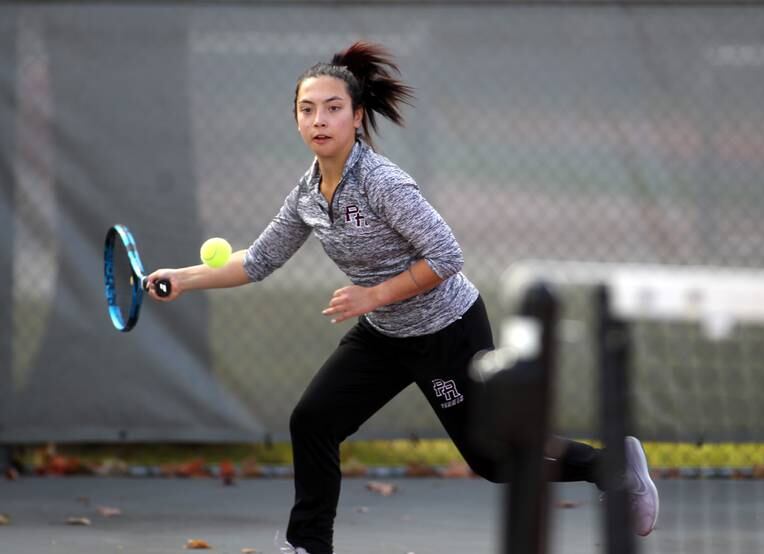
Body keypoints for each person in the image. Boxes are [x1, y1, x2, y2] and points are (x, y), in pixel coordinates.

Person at [146, 41, 658, 554]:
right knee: (314, 421)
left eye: (332, 108)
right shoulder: (306, 195)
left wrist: (373, 296)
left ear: (356, 116)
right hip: (386, 333)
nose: (319, 120)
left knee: (493, 461)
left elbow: (445, 254)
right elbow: (256, 261)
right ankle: (308, 545)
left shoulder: (382, 182)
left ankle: (611, 467)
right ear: (296, 121)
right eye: (307, 110)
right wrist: (182, 279)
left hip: (446, 330)